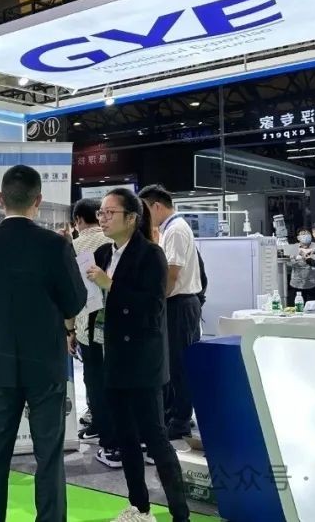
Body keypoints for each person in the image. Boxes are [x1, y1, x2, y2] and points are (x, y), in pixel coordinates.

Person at [0, 165, 86, 522]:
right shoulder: (55, 245)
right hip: (46, 363)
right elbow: (74, 300)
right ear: (38, 200)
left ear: (1, 199)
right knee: (49, 456)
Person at [86, 188, 190, 522]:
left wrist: (110, 285)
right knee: (125, 438)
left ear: (131, 218)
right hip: (112, 354)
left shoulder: (151, 255)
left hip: (143, 359)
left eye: (109, 213)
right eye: (100, 213)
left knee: (155, 438)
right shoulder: (103, 253)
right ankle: (139, 508)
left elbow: (151, 306)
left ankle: (180, 513)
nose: (103, 219)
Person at [139, 185, 201, 440]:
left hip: (179, 304)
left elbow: (172, 275)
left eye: (145, 209)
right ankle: (176, 414)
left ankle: (180, 420)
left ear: (156, 206)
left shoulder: (175, 230)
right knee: (173, 362)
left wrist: (155, 302)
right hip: (179, 304)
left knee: (179, 365)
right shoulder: (170, 229)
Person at [68, 198, 111, 441]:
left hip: (87, 321)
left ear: (78, 220)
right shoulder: (114, 241)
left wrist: (70, 330)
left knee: (93, 375)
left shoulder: (74, 246)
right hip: (117, 320)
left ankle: (99, 424)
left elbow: (71, 292)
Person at [288, 228, 315, 307]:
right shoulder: (294, 247)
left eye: (307, 234)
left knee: (313, 306)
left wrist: (306, 257)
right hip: (297, 282)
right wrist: (299, 258)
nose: (306, 236)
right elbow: (289, 263)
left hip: (312, 281)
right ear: (298, 238)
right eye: (303, 234)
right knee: (298, 305)